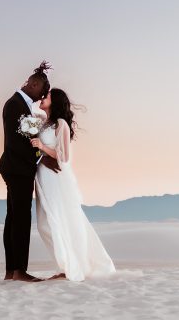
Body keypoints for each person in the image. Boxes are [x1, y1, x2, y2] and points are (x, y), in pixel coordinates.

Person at [29, 87, 116, 281]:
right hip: (42, 175)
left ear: (56, 101)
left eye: (47, 96)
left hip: (55, 177)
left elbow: (64, 157)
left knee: (56, 219)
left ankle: (69, 266)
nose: (43, 98)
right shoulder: (43, 122)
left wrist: (42, 147)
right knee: (44, 223)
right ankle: (66, 264)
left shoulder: (61, 124)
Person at [0, 62, 60, 282]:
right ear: (32, 84)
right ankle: (19, 271)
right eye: (40, 91)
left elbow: (31, 138)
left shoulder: (21, 106)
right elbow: (19, 143)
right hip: (18, 169)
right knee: (20, 220)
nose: (39, 96)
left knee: (13, 219)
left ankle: (11, 271)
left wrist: (41, 151)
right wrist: (41, 158)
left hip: (15, 168)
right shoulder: (15, 105)